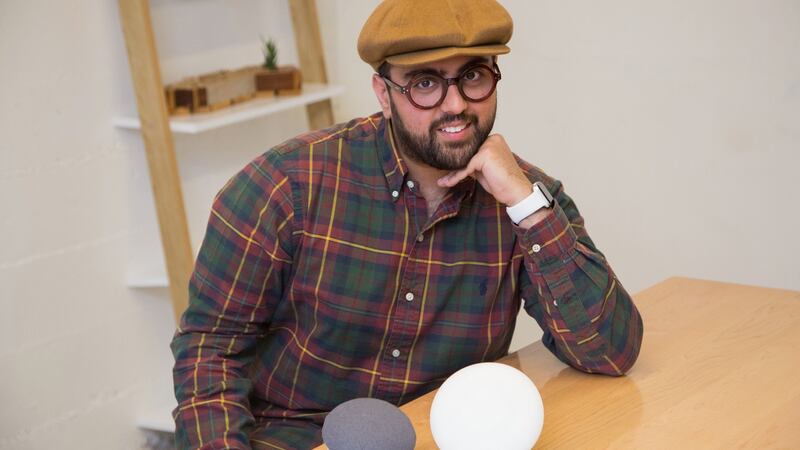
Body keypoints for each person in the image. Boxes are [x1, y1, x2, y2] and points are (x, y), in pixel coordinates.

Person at [170, 0, 643, 448]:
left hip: (446, 435)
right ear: (384, 93)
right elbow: (209, 352)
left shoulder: (526, 198)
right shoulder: (284, 185)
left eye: (473, 76)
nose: (455, 105)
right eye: (425, 83)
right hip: (296, 437)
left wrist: (526, 205)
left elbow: (609, 352)